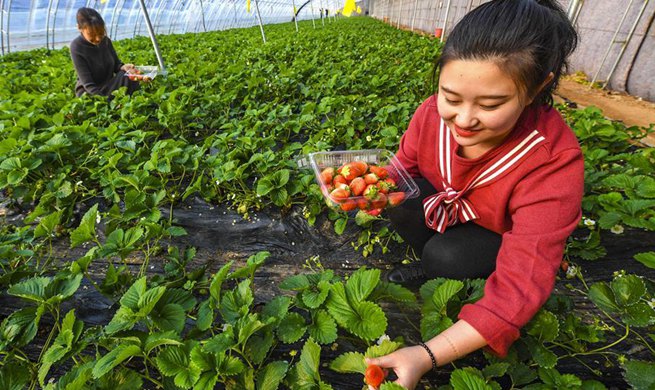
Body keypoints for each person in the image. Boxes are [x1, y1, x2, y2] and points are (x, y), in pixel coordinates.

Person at [367, 1, 583, 388]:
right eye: (452, 97)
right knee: (399, 200)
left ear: (538, 87)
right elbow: (400, 170)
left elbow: (521, 283)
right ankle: (435, 257)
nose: (464, 120)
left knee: (444, 256)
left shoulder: (552, 160)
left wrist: (426, 354)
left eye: (491, 104)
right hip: (449, 209)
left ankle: (442, 265)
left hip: (495, 232)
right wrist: (362, 186)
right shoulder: (430, 115)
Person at [70, 8, 141, 97]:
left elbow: (117, 66)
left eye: (100, 33)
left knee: (128, 75)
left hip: (108, 85)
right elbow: (88, 84)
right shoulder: (76, 47)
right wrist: (104, 103)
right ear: (79, 28)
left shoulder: (106, 41)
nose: (98, 38)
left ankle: (136, 100)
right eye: (91, 34)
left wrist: (123, 67)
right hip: (89, 92)